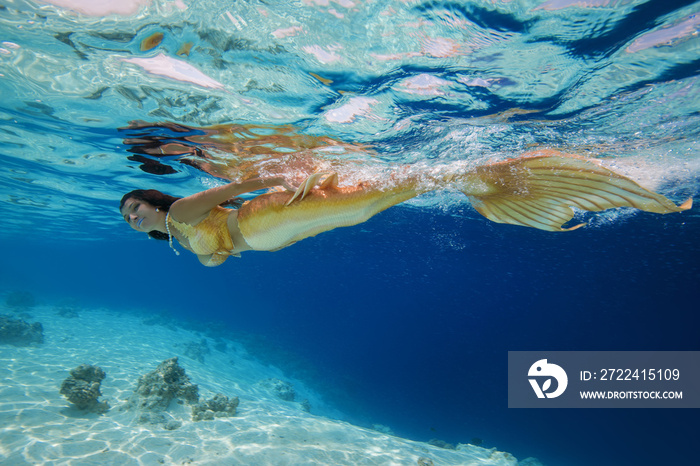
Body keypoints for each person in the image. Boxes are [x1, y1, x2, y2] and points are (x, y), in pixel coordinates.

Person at [120, 150, 692, 267]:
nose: (134, 217)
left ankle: (483, 174)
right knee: (369, 207)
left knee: (373, 200)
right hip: (273, 231)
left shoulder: (183, 214)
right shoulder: (174, 232)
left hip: (265, 221)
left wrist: (279, 175)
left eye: (135, 206)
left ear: (154, 200)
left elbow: (236, 188)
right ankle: (469, 178)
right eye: (128, 217)